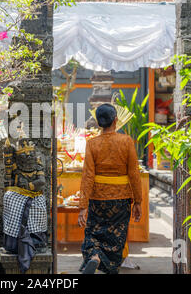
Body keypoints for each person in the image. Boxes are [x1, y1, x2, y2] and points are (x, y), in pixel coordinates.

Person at [78, 103, 142, 274]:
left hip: (98, 198)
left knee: (93, 234)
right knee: (115, 240)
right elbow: (134, 174)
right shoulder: (126, 141)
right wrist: (138, 201)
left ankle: (95, 257)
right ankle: (107, 266)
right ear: (116, 120)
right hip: (120, 200)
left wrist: (83, 206)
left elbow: (87, 176)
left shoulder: (92, 144)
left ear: (99, 123)